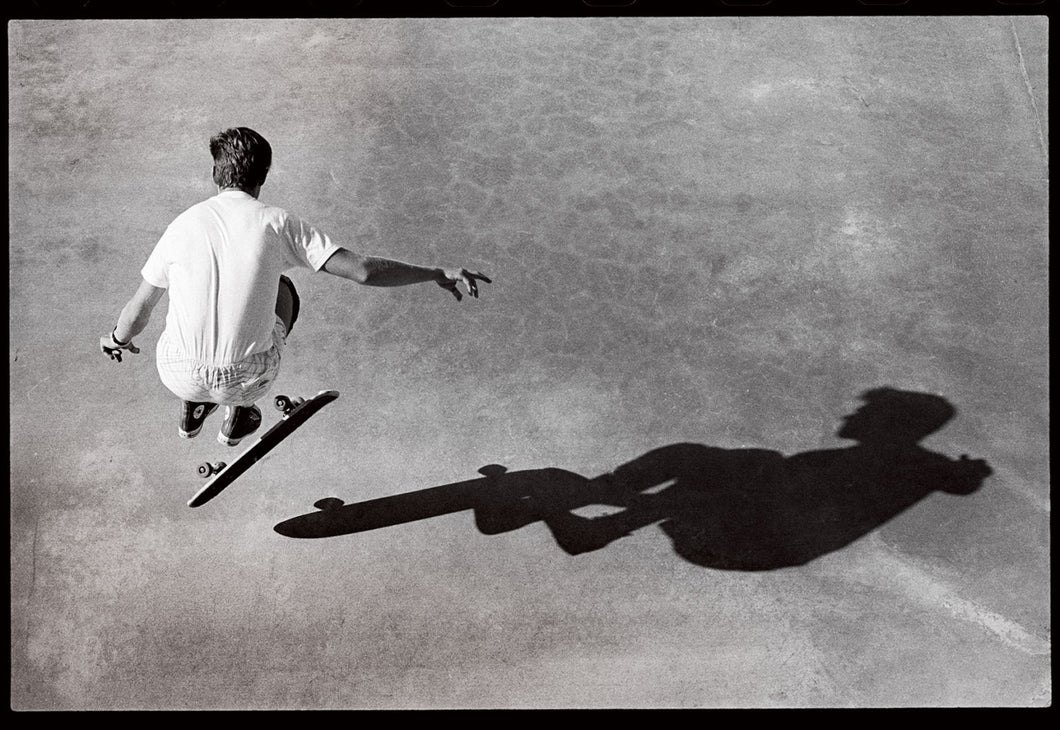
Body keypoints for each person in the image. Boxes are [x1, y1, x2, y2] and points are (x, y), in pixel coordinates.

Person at [101, 126, 490, 446]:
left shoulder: (182, 225)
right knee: (282, 288)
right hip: (248, 378)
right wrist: (437, 271)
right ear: (263, 176)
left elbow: (137, 313)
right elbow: (364, 271)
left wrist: (116, 339)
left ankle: (192, 404)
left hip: (176, 373)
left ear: (215, 174)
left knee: (185, 300)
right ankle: (239, 413)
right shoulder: (276, 222)